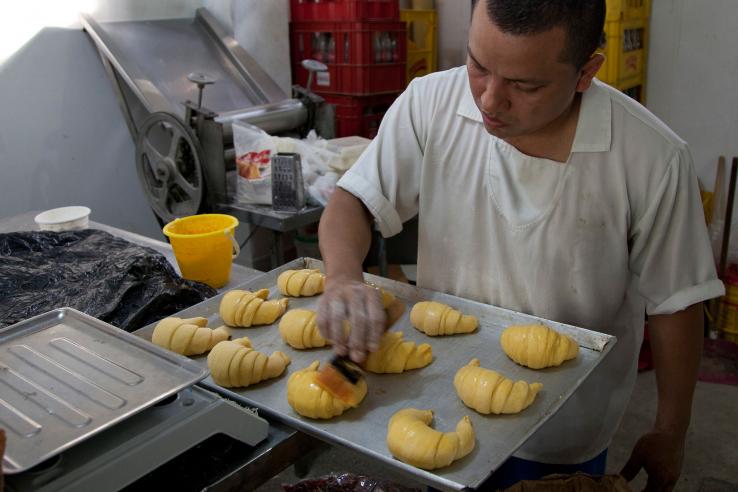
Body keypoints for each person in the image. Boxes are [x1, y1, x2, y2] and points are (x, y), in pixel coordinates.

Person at [316, 0, 724, 489]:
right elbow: (353, 200)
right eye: (478, 66)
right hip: (437, 401)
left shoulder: (650, 158)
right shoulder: (430, 104)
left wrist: (671, 430)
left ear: (585, 73)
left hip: (564, 429)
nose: (489, 100)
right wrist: (342, 277)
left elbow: (675, 301)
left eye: (524, 85)